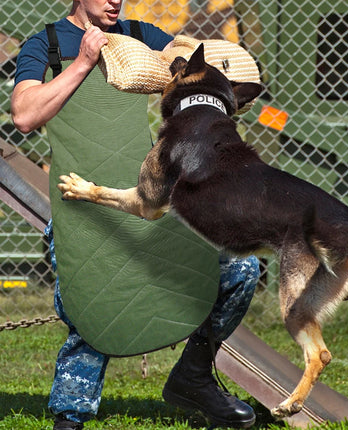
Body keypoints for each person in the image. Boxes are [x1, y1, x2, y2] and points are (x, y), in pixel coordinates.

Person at [11, 1, 260, 430]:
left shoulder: (141, 36)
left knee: (241, 268)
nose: (115, 1)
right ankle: (70, 415)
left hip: (141, 203)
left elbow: (196, 66)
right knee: (98, 297)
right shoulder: (47, 44)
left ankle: (193, 377)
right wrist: (85, 61)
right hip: (83, 206)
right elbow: (24, 115)